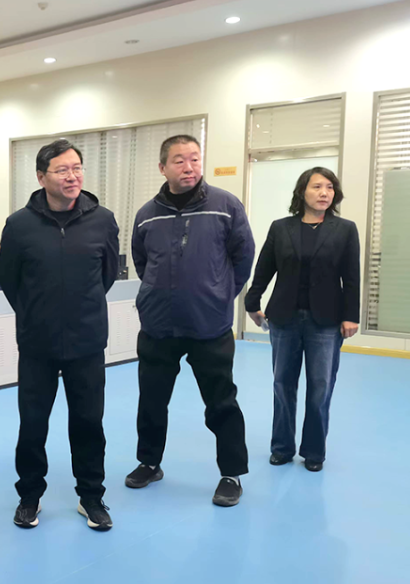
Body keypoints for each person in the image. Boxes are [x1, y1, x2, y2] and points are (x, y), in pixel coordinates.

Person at [127, 134, 255, 507]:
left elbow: (243, 257)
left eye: (195, 159)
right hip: (158, 326)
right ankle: (149, 463)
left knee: (221, 402)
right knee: (152, 401)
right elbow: (141, 261)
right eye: (180, 160)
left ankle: (231, 473)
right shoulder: (147, 214)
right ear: (162, 167)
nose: (189, 167)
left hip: (208, 326)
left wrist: (219, 295)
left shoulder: (225, 206)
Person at [0, 139, 120, 530]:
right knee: (33, 425)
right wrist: (36, 314)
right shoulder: (19, 225)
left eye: (77, 168)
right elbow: (10, 281)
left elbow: (106, 276)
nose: (72, 176)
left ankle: (91, 497)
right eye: (62, 170)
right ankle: (29, 497)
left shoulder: (103, 220)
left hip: (87, 342)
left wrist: (80, 309)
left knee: (89, 423)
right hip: (38, 343)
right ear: (41, 177)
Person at [245, 167, 359, 472]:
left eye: (330, 187)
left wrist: (351, 316)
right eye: (317, 186)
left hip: (326, 321)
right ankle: (282, 447)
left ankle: (314, 451)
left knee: (321, 387)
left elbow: (351, 277)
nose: (324, 193)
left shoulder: (345, 229)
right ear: (302, 192)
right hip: (284, 318)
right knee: (283, 384)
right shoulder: (281, 228)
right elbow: (264, 268)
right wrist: (252, 302)